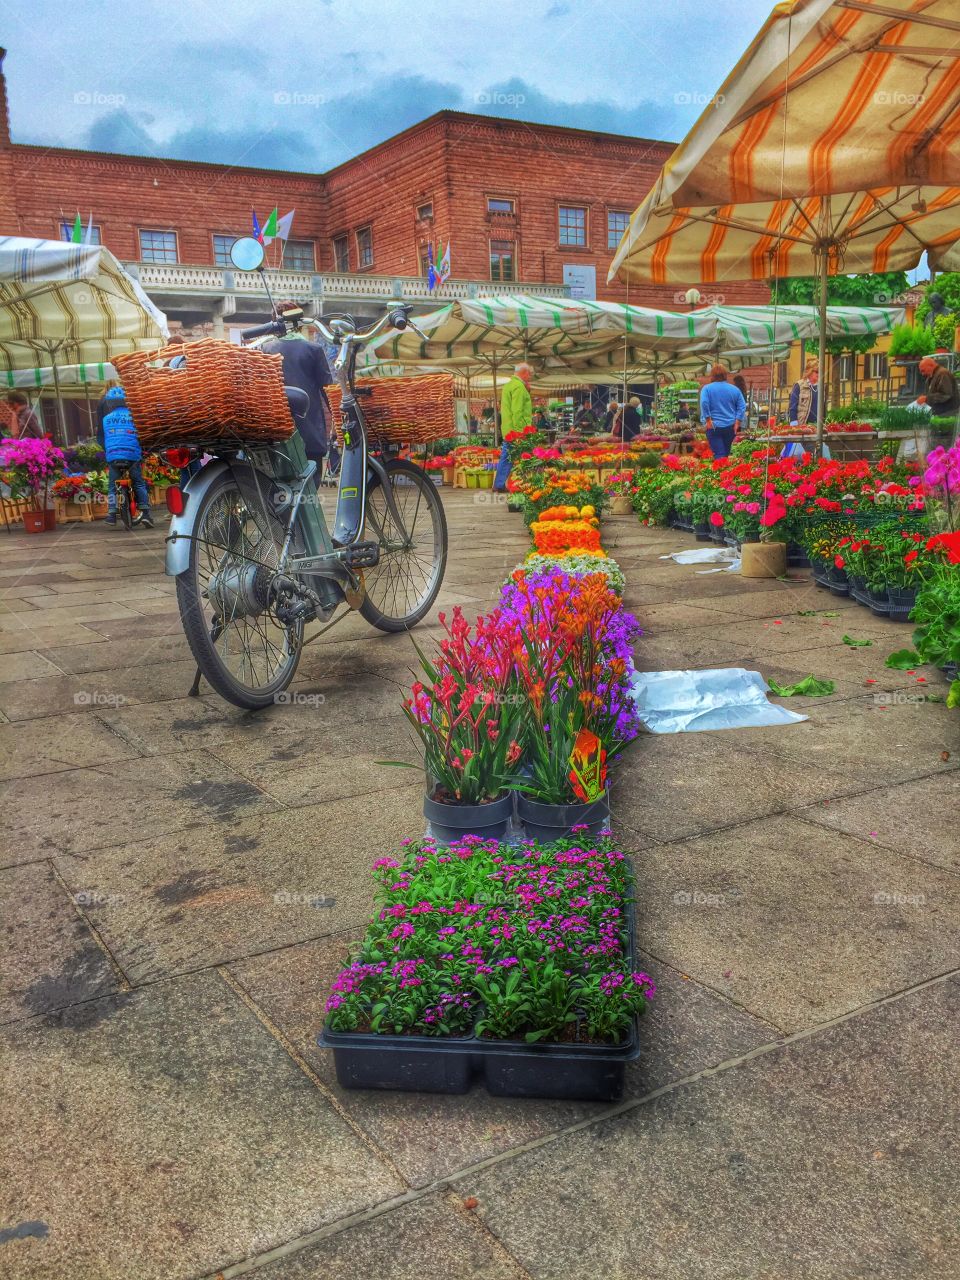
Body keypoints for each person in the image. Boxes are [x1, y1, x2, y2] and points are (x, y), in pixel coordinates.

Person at [259, 300, 333, 476]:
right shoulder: (313, 349)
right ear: (299, 321)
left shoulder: (266, 349)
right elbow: (328, 391)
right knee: (309, 489)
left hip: (277, 431)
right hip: (310, 432)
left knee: (278, 489)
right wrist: (337, 422)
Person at [96, 386, 153, 527]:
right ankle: (145, 513)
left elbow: (101, 438)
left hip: (113, 456)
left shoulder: (105, 419)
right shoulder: (135, 418)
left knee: (112, 486)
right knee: (138, 483)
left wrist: (108, 450)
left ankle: (111, 514)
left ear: (109, 403)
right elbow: (142, 436)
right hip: (133, 456)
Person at [493, 362, 533, 491]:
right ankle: (527, 483)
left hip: (508, 428)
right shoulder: (519, 387)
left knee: (507, 457)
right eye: (529, 374)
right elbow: (517, 411)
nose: (530, 376)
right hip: (518, 430)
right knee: (526, 457)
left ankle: (499, 484)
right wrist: (519, 433)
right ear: (524, 372)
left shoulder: (508, 386)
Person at [699, 363, 745, 458]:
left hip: (713, 426)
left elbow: (704, 403)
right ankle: (725, 471)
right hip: (730, 427)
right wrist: (738, 421)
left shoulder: (706, 389)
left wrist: (708, 419)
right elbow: (742, 406)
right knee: (726, 453)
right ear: (725, 375)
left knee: (719, 454)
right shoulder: (735, 389)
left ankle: (721, 471)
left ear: (712, 375)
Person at [788, 358, 819, 427]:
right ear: (810, 371)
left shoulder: (821, 387)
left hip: (817, 427)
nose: (819, 374)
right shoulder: (799, 385)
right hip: (801, 426)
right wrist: (794, 425)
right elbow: (792, 407)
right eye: (817, 371)